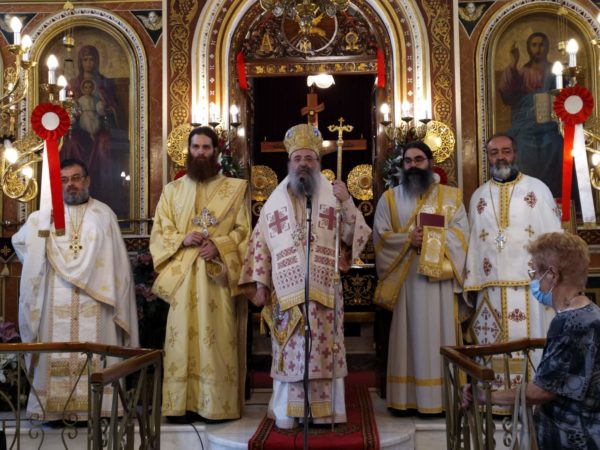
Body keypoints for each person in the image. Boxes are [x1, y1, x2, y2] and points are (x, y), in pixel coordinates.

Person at [239, 123, 371, 429]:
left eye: (309, 158)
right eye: (298, 158)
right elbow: (260, 244)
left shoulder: (333, 196)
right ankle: (289, 413)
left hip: (325, 292)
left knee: (325, 351)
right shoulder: (273, 203)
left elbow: (355, 237)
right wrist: (260, 283)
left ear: (317, 162)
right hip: (287, 296)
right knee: (291, 351)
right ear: (289, 162)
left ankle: (324, 412)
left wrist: (347, 201)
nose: (303, 164)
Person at [12, 158, 139, 420]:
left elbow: (118, 266)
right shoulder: (42, 217)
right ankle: (54, 412)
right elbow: (20, 243)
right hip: (54, 297)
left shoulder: (103, 215)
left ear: (87, 180)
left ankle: (100, 409)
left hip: (97, 301)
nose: (70, 184)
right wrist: (40, 233)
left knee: (98, 354)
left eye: (76, 178)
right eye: (64, 180)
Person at [463, 232, 600, 449]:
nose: (533, 281)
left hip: (571, 439)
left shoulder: (571, 323)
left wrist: (485, 396)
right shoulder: (590, 312)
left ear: (552, 275)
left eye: (535, 273)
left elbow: (542, 391)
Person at [150, 126, 250, 423]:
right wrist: (182, 238)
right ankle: (180, 406)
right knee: (180, 340)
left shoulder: (234, 189)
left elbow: (244, 232)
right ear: (189, 151)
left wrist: (219, 246)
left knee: (217, 338)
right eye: (196, 147)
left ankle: (216, 405)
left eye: (207, 147)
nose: (201, 153)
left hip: (217, 278)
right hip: (182, 279)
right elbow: (160, 231)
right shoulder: (172, 191)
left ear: (216, 151)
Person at [373, 141, 470, 415]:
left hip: (440, 283)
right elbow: (380, 237)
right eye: (408, 161)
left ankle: (444, 399)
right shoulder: (390, 199)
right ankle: (406, 399)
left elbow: (462, 236)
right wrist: (408, 239)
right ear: (402, 165)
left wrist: (431, 237)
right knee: (409, 339)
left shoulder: (451, 197)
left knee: (441, 337)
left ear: (430, 163)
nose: (413, 165)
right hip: (407, 282)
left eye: (419, 160)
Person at [464, 134, 562, 390]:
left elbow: (554, 236)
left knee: (533, 347)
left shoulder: (538, 190)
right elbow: (473, 244)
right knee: (493, 350)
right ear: (488, 157)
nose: (500, 157)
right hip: (491, 290)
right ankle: (495, 401)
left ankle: (532, 399)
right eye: (494, 152)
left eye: (506, 151)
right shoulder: (478, 197)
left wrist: (552, 279)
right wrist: (473, 282)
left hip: (532, 289)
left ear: (515, 154)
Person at [61, 44, 128, 217]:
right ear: (80, 62)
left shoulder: (105, 83)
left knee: (104, 143)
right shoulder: (73, 84)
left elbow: (115, 108)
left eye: (92, 59)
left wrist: (108, 109)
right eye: (85, 59)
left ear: (97, 61)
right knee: (72, 143)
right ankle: (73, 184)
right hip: (78, 129)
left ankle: (105, 191)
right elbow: (67, 110)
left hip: (101, 128)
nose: (88, 63)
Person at [498, 32, 563, 197]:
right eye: (534, 45)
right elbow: (507, 96)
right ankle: (524, 195)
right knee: (521, 146)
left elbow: (564, 96)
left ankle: (555, 195)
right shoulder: (522, 72)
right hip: (525, 122)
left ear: (547, 47)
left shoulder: (556, 72)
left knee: (557, 145)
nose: (538, 49)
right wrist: (513, 63)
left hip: (550, 123)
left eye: (541, 44)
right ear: (528, 48)